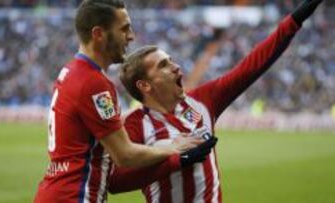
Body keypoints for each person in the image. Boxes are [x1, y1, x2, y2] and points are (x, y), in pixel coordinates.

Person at [109, 0, 324, 202]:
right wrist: (177, 160)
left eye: (172, 60)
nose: (176, 66)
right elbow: (115, 182)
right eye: (163, 65)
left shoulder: (203, 101)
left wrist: (294, 20)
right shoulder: (133, 125)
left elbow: (251, 66)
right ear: (145, 85)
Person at [34, 0, 216, 202]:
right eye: (124, 29)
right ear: (98, 34)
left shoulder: (72, 71)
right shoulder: (94, 83)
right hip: (74, 196)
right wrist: (175, 148)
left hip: (57, 191)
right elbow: (125, 155)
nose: (131, 36)